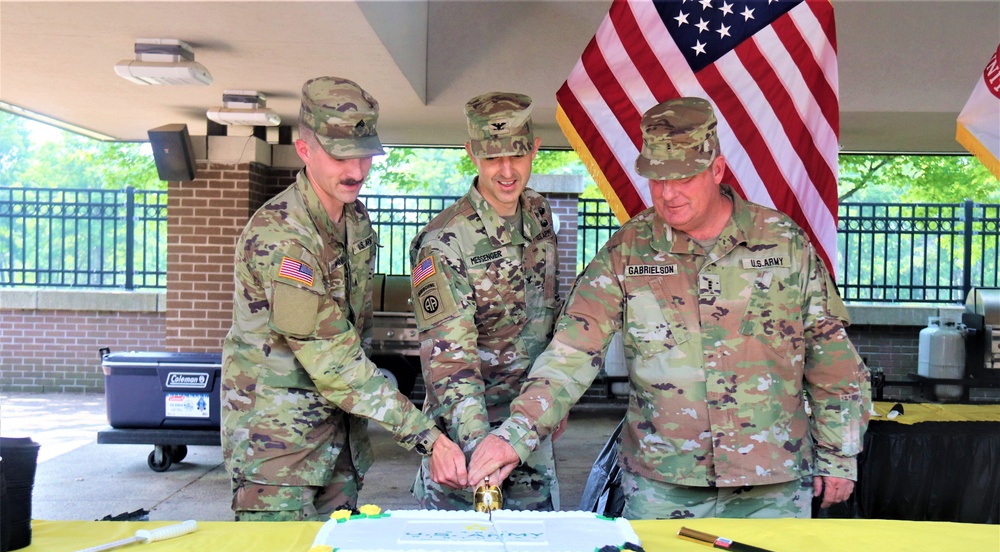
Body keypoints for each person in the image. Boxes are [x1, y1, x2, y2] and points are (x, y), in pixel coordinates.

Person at [467, 97, 871, 520]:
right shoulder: (627, 251)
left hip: (770, 481)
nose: (669, 193)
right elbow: (571, 352)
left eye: (683, 178)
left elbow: (830, 356)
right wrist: (515, 435)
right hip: (663, 485)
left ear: (716, 169)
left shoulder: (784, 243)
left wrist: (839, 453)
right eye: (657, 180)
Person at [221, 76, 466, 521]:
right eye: (339, 156)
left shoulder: (354, 218)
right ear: (304, 150)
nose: (356, 171)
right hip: (279, 454)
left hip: (339, 445)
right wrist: (426, 437)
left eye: (365, 154)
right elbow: (333, 360)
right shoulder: (282, 238)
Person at [408, 92, 563, 510]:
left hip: (529, 429)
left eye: (516, 154)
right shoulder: (444, 242)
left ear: (534, 149)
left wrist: (552, 403)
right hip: (467, 445)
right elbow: (450, 363)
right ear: (471, 153)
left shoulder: (539, 215)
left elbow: (549, 315)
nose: (507, 171)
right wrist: (486, 450)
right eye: (493, 158)